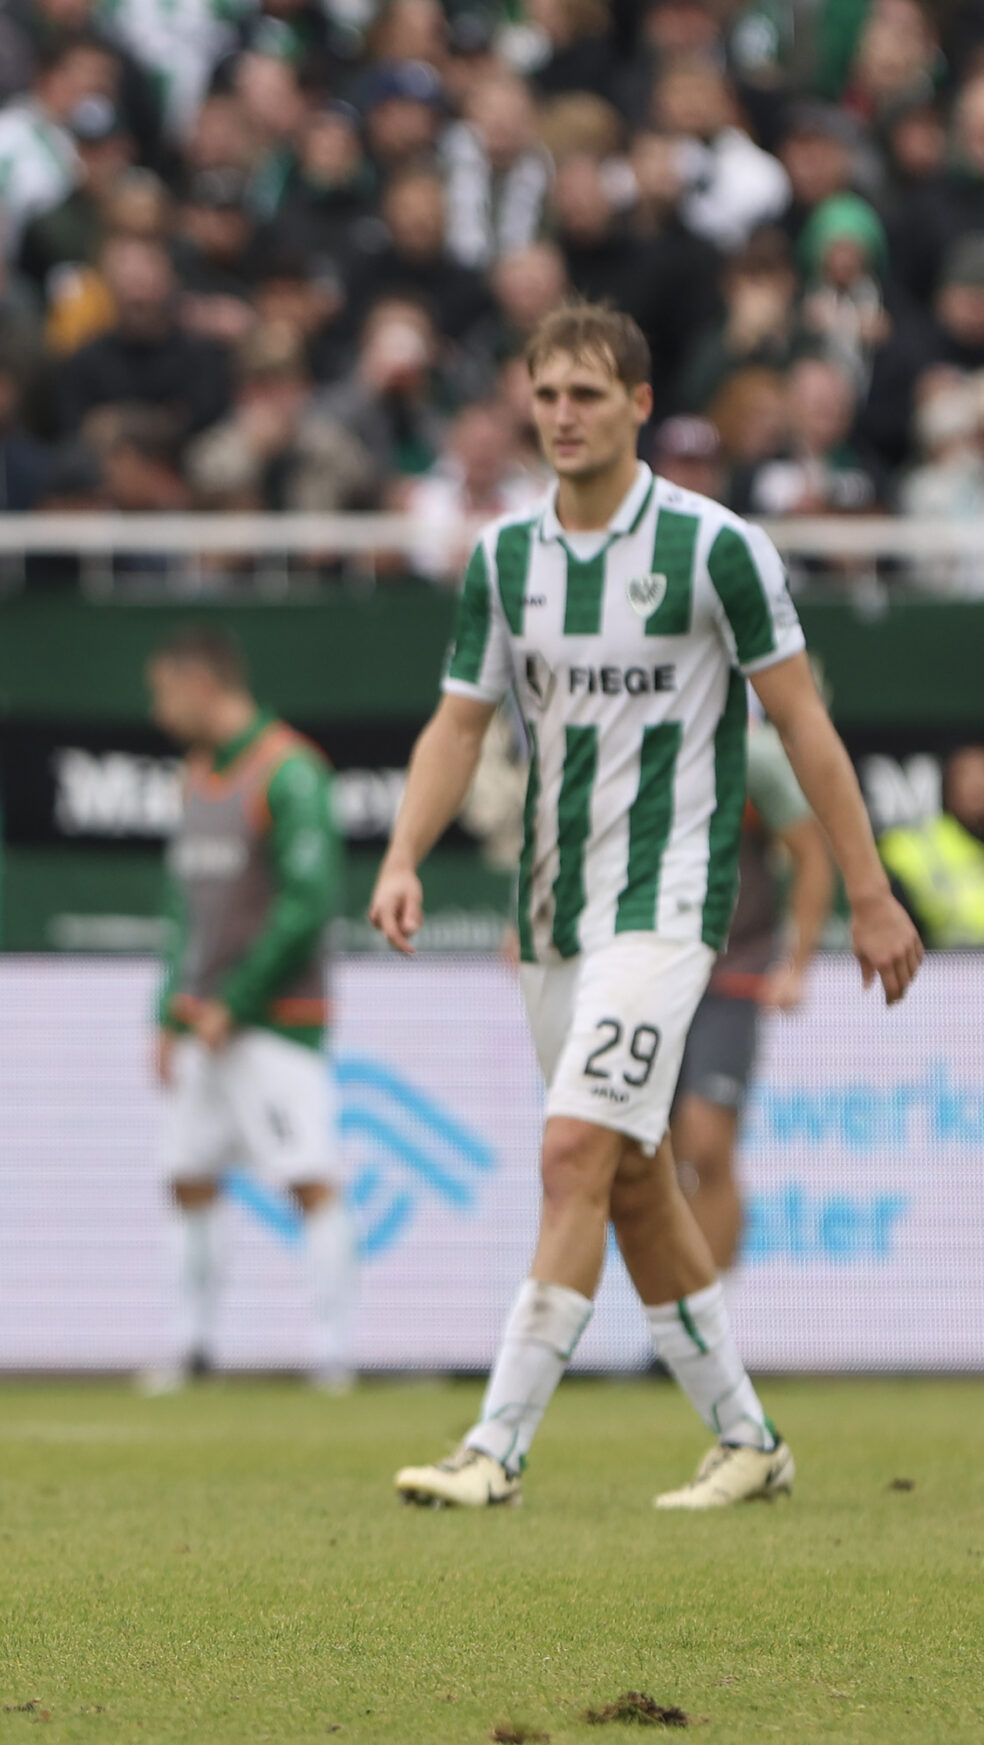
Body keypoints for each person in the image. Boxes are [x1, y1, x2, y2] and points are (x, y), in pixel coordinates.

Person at [373, 302, 923, 1511]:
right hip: (550, 910)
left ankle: (494, 1445)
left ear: (637, 402)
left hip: (669, 906)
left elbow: (803, 726)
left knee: (572, 1149)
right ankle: (749, 1437)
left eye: (586, 393)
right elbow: (458, 723)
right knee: (631, 1179)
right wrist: (404, 852)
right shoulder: (501, 559)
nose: (562, 415)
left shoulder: (717, 547)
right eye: (546, 393)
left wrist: (870, 893)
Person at [144, 626, 353, 1394]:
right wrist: (169, 1013)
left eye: (164, 692)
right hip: (204, 1020)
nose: (159, 712)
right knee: (187, 1174)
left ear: (202, 684)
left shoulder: (289, 772)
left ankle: (334, 1353)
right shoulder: (195, 777)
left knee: (309, 1176)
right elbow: (181, 911)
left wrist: (239, 999)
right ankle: (192, 1345)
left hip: (278, 1019)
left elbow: (309, 901)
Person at [670, 720, 833, 1279]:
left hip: (731, 973)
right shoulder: (620, 733)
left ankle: (707, 1324)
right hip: (645, 973)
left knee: (708, 1148)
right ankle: (671, 1320)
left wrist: (797, 962)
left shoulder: (749, 755)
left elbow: (812, 854)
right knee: (644, 1162)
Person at [880, 743, 984, 945]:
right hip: (939, 966)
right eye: (969, 779)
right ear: (948, 788)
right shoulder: (915, 845)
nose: (979, 787)